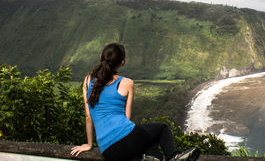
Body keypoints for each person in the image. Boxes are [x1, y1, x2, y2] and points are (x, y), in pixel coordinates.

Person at [70, 42, 200, 161]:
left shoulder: (88, 80)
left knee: (149, 143)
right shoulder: (127, 83)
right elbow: (127, 117)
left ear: (101, 57)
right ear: (122, 62)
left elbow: (88, 117)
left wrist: (89, 144)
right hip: (126, 137)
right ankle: (174, 157)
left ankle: (152, 157)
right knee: (161, 128)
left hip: (107, 150)